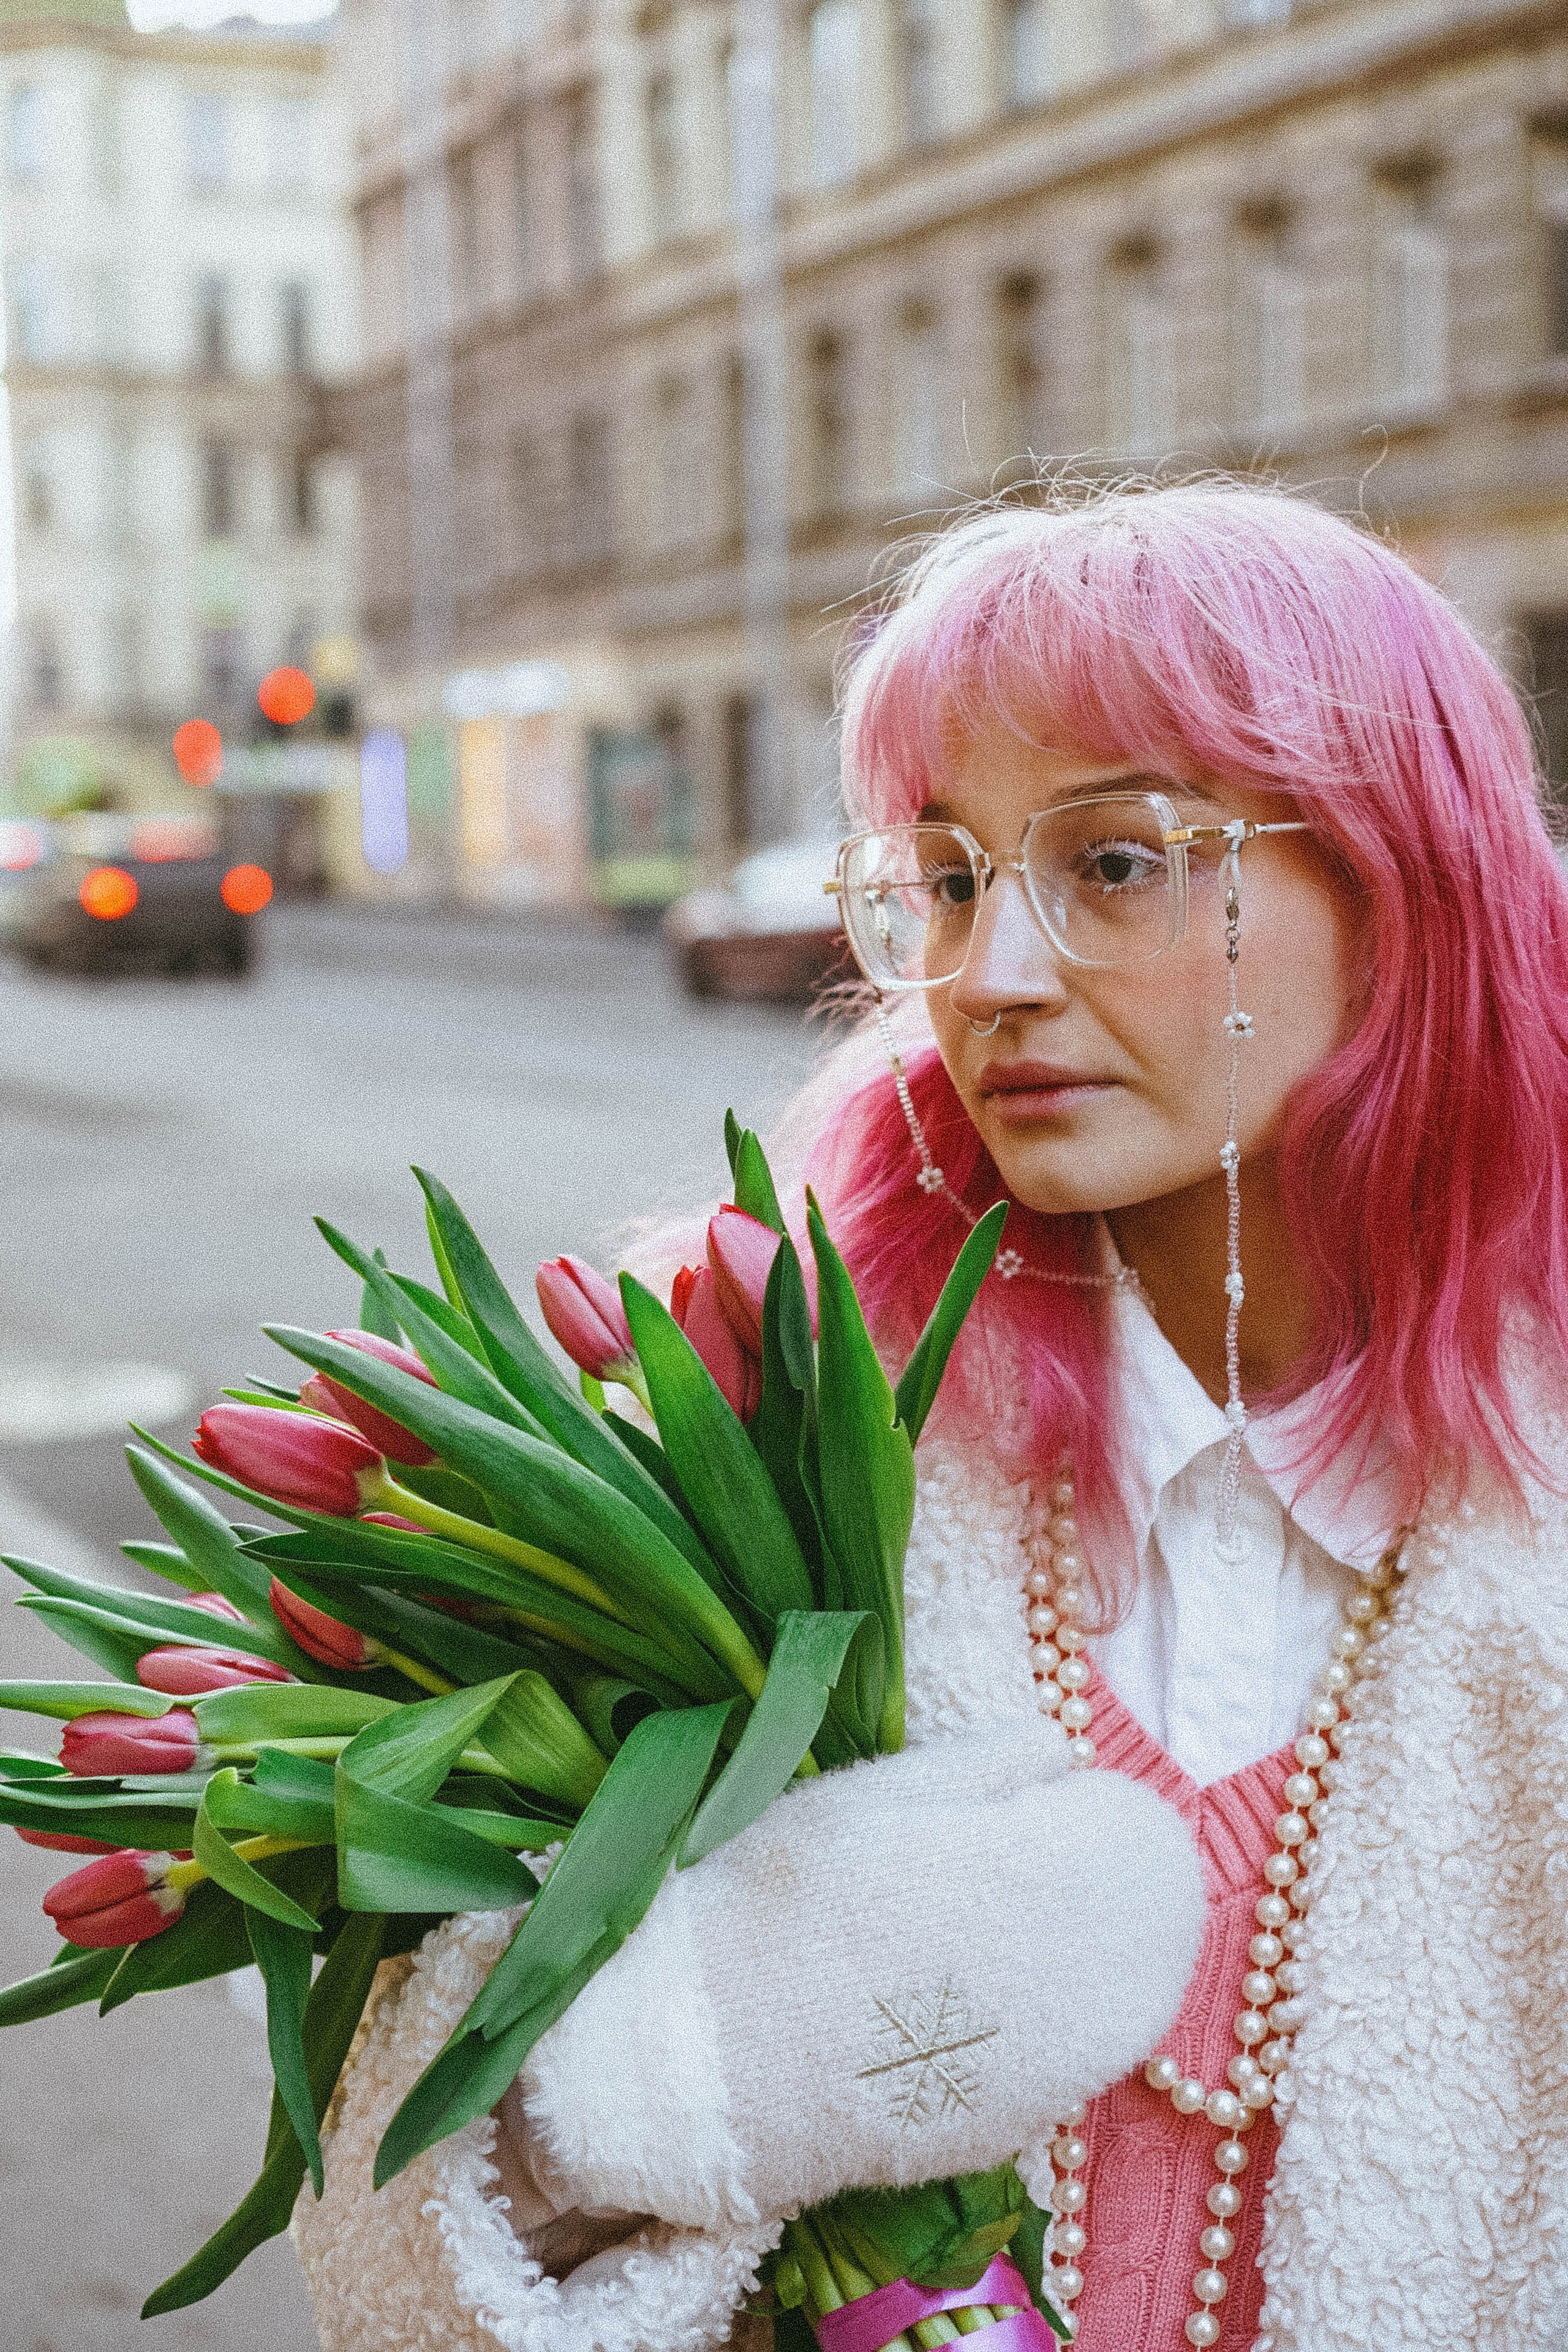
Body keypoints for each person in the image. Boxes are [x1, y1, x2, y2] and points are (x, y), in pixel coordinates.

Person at [294, 480, 1568, 2352]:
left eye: (1115, 862)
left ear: (1400, 884)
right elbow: (390, 2257)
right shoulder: (764, 1446)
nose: (996, 979)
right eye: (953, 877)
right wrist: (683, 2070)